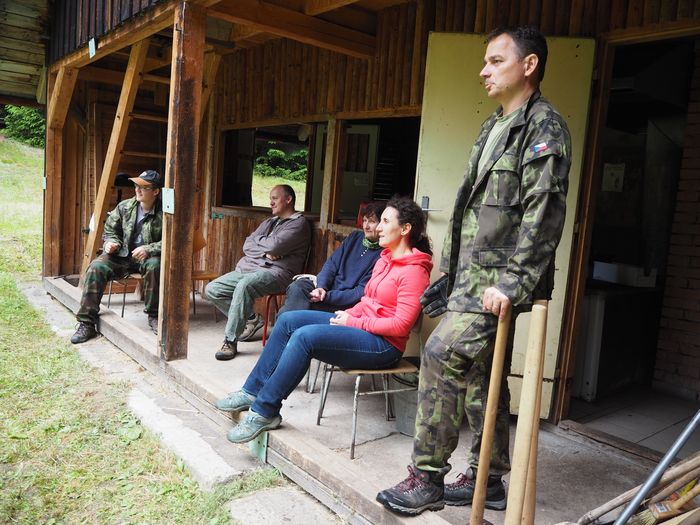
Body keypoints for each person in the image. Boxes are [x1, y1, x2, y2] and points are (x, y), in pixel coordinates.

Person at [377, 26, 572, 516]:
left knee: (440, 354)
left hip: (500, 281)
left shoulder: (544, 127)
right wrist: (447, 275)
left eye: (495, 61)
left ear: (529, 65)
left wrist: (514, 282)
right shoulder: (492, 126)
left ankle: (427, 477)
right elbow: (470, 211)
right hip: (469, 279)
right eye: (485, 62)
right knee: (484, 379)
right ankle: (492, 478)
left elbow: (543, 214)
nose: (484, 71)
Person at [214, 196, 433, 444]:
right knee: (288, 321)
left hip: (384, 345)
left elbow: (401, 325)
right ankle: (251, 391)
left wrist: (354, 322)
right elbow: (368, 300)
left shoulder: (414, 271)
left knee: (304, 337)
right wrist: (351, 314)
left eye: (385, 221)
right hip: (362, 328)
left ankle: (265, 411)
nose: (378, 227)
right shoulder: (385, 259)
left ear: (405, 229)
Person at [205, 185, 310, 361]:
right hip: (249, 268)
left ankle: (230, 341)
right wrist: (265, 251)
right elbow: (247, 245)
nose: (271, 203)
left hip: (277, 273)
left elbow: (274, 246)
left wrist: (264, 245)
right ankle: (251, 318)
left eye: (275, 198)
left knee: (244, 285)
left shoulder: (299, 224)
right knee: (212, 289)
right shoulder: (270, 222)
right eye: (270, 198)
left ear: (288, 199)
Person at [71, 170, 164, 344]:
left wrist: (149, 248)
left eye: (144, 187)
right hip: (122, 255)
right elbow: (110, 231)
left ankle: (154, 316)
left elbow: (173, 240)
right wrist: (111, 243)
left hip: (148, 258)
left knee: (155, 265)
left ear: (156, 191)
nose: (137, 190)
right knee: (96, 267)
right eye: (136, 185)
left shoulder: (164, 212)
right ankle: (86, 323)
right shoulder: (124, 207)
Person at [277, 201, 386, 316]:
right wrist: (321, 288)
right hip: (325, 289)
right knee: (298, 287)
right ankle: (290, 322)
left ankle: (286, 322)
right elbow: (332, 264)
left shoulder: (382, 255)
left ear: (382, 225)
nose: (366, 226)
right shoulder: (355, 237)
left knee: (293, 308)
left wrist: (326, 296)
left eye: (372, 221)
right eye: (364, 220)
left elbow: (359, 292)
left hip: (342, 302)